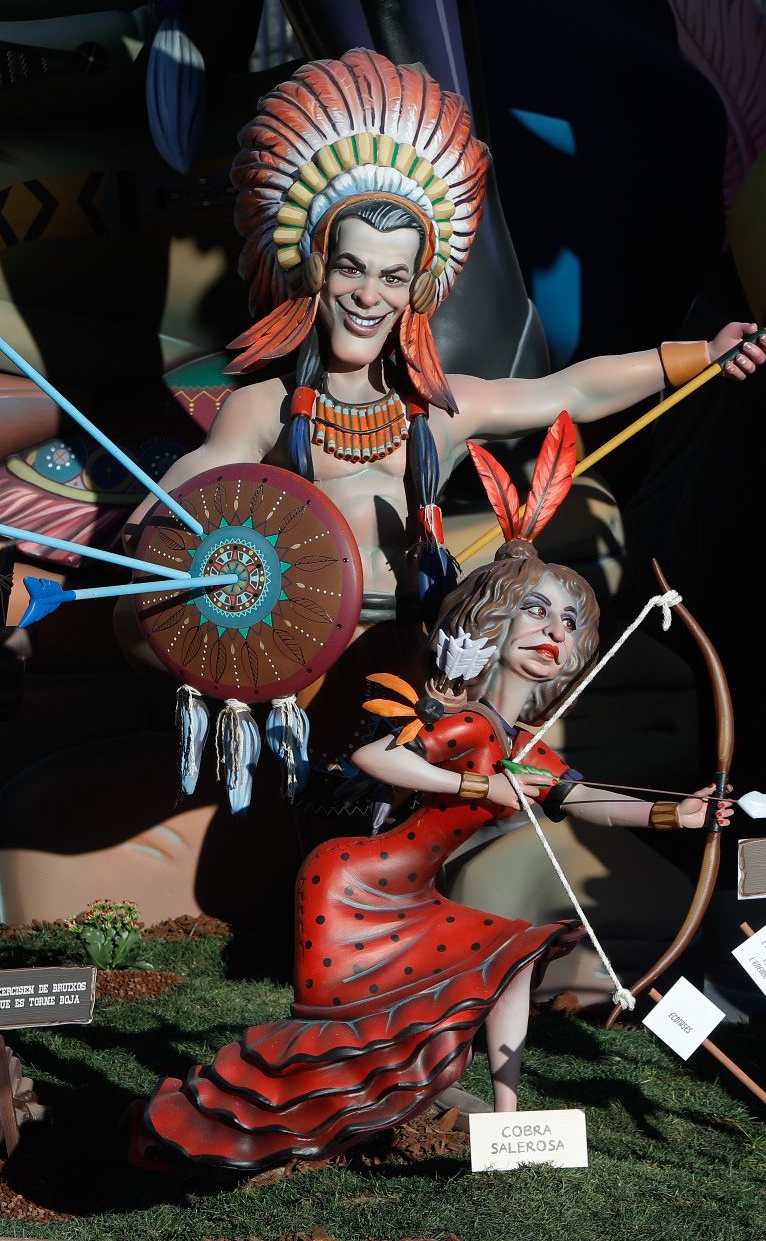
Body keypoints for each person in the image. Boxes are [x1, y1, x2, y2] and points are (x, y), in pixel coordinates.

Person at [133, 414, 726, 1169]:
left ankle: (510, 1124)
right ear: (495, 618)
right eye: (535, 611)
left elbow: (582, 800)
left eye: (569, 621)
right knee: (335, 1042)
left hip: (410, 892)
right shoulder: (467, 724)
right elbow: (380, 756)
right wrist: (479, 782)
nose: (552, 632)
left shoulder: (522, 749)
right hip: (353, 885)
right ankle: (237, 1122)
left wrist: (678, 814)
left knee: (514, 955)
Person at [128, 48, 766, 625]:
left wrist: (702, 356)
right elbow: (173, 510)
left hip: (417, 655)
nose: (367, 295)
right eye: (351, 268)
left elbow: (571, 391)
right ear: (317, 276)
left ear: (415, 292)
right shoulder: (264, 408)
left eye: (391, 276)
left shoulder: (444, 409)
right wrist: (139, 544)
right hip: (297, 652)